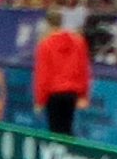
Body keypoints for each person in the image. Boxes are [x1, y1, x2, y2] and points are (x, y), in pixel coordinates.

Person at [33, 8, 92, 136]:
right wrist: (83, 96)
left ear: (47, 24)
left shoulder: (45, 45)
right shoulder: (78, 42)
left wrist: (40, 100)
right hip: (71, 93)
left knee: (55, 131)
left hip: (53, 94)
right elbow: (83, 70)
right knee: (67, 128)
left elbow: (43, 75)